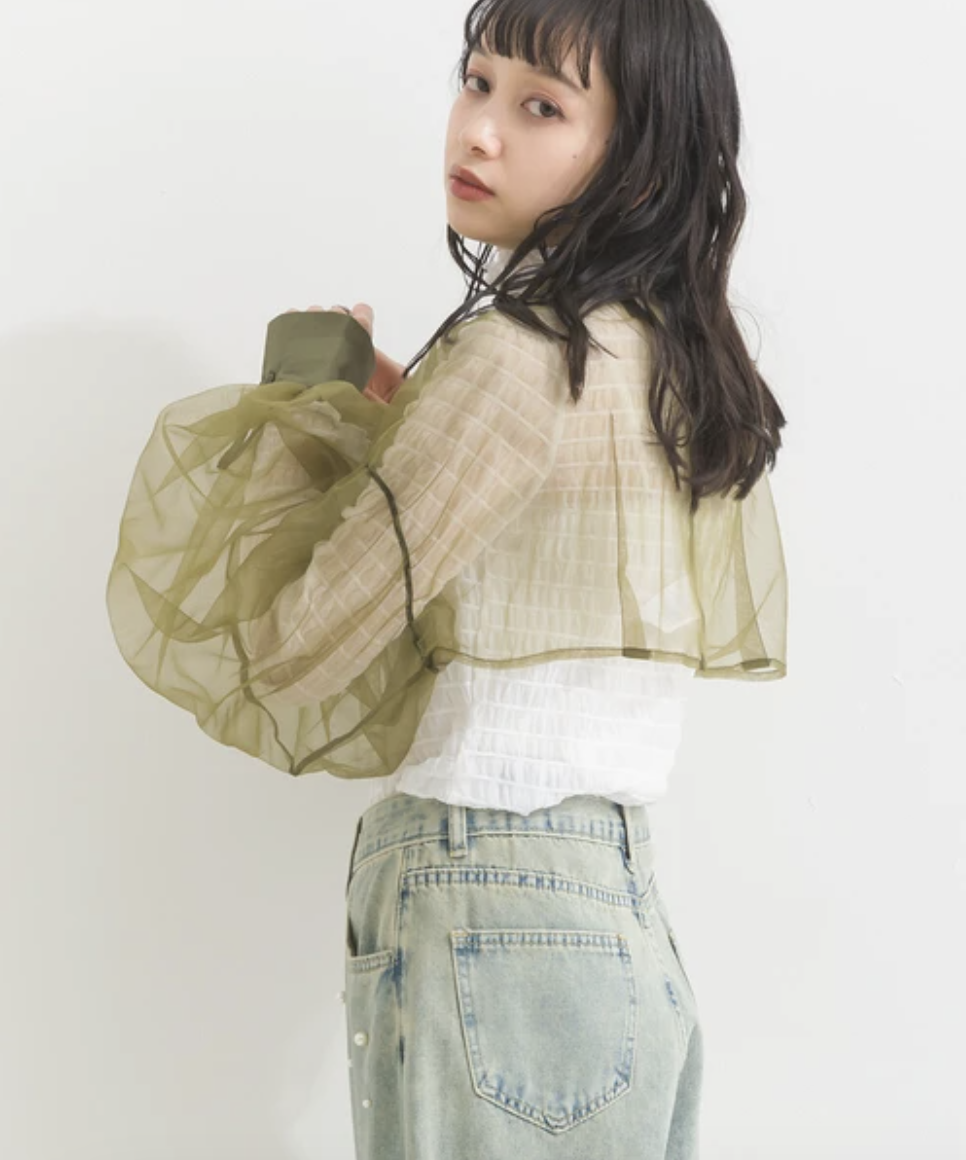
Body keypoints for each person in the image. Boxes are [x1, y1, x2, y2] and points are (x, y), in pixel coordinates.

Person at [105, 0, 788, 1154]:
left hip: (489, 888)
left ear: (636, 161)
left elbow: (298, 645)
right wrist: (402, 415)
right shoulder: (672, 358)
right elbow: (533, 531)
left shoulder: (519, 356)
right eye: (477, 81)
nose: (478, 130)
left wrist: (305, 413)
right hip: (618, 912)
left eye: (542, 106)